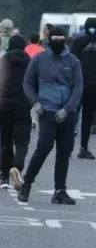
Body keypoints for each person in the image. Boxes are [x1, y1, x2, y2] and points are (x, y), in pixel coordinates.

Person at [17, 27, 82, 204]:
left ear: (65, 40)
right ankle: (27, 184)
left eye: (62, 39)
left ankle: (60, 190)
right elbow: (28, 82)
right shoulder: (39, 59)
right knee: (43, 148)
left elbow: (78, 88)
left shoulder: (73, 61)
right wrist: (35, 102)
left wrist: (68, 109)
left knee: (64, 152)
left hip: (67, 114)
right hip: (47, 111)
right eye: (55, 39)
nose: (58, 42)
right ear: (49, 39)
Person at [71, 17, 96, 160]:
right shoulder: (79, 41)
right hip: (79, 83)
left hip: (95, 83)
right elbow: (72, 61)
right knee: (72, 115)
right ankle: (68, 146)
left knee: (88, 117)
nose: (92, 30)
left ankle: (83, 148)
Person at [0, 35, 32, 189]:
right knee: (22, 142)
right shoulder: (30, 61)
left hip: (4, 105)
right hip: (22, 105)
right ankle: (17, 167)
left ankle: (4, 176)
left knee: (5, 141)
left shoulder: (4, 60)